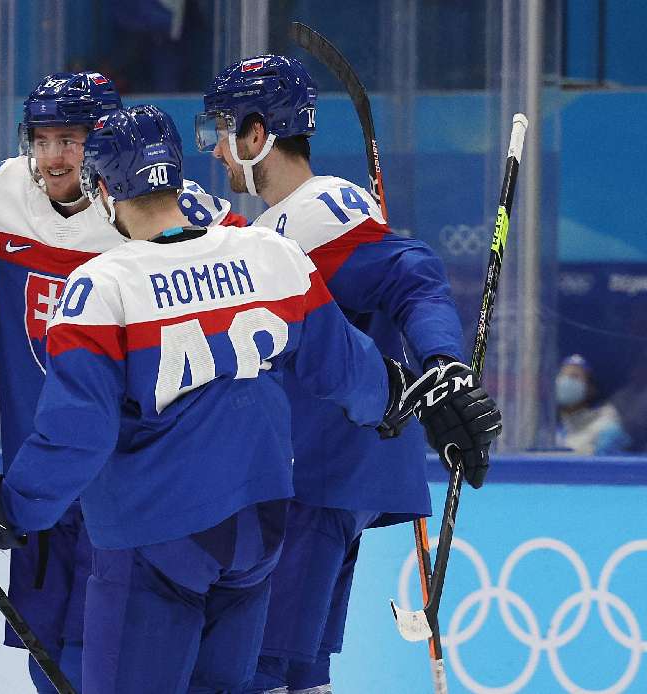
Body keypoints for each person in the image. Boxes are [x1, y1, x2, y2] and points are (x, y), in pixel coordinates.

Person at [0, 105, 499, 693]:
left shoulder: (102, 286)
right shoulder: (269, 257)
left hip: (157, 537)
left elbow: (78, 435)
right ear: (177, 177)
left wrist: (1, 510)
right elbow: (356, 376)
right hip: (257, 537)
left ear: (102, 189)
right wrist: (435, 398)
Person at [194, 55, 503, 693]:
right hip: (322, 478)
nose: (217, 151)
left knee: (261, 667)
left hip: (313, 479)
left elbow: (410, 274)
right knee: (303, 666)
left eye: (223, 131)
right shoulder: (281, 223)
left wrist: (444, 365)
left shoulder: (319, 213)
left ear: (258, 135)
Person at [0, 70, 247, 692]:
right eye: (43, 139)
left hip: (131, 486)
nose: (54, 157)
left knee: (100, 658)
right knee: (43, 652)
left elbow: (260, 261)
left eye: (72, 139)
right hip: (42, 478)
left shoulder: (163, 211)